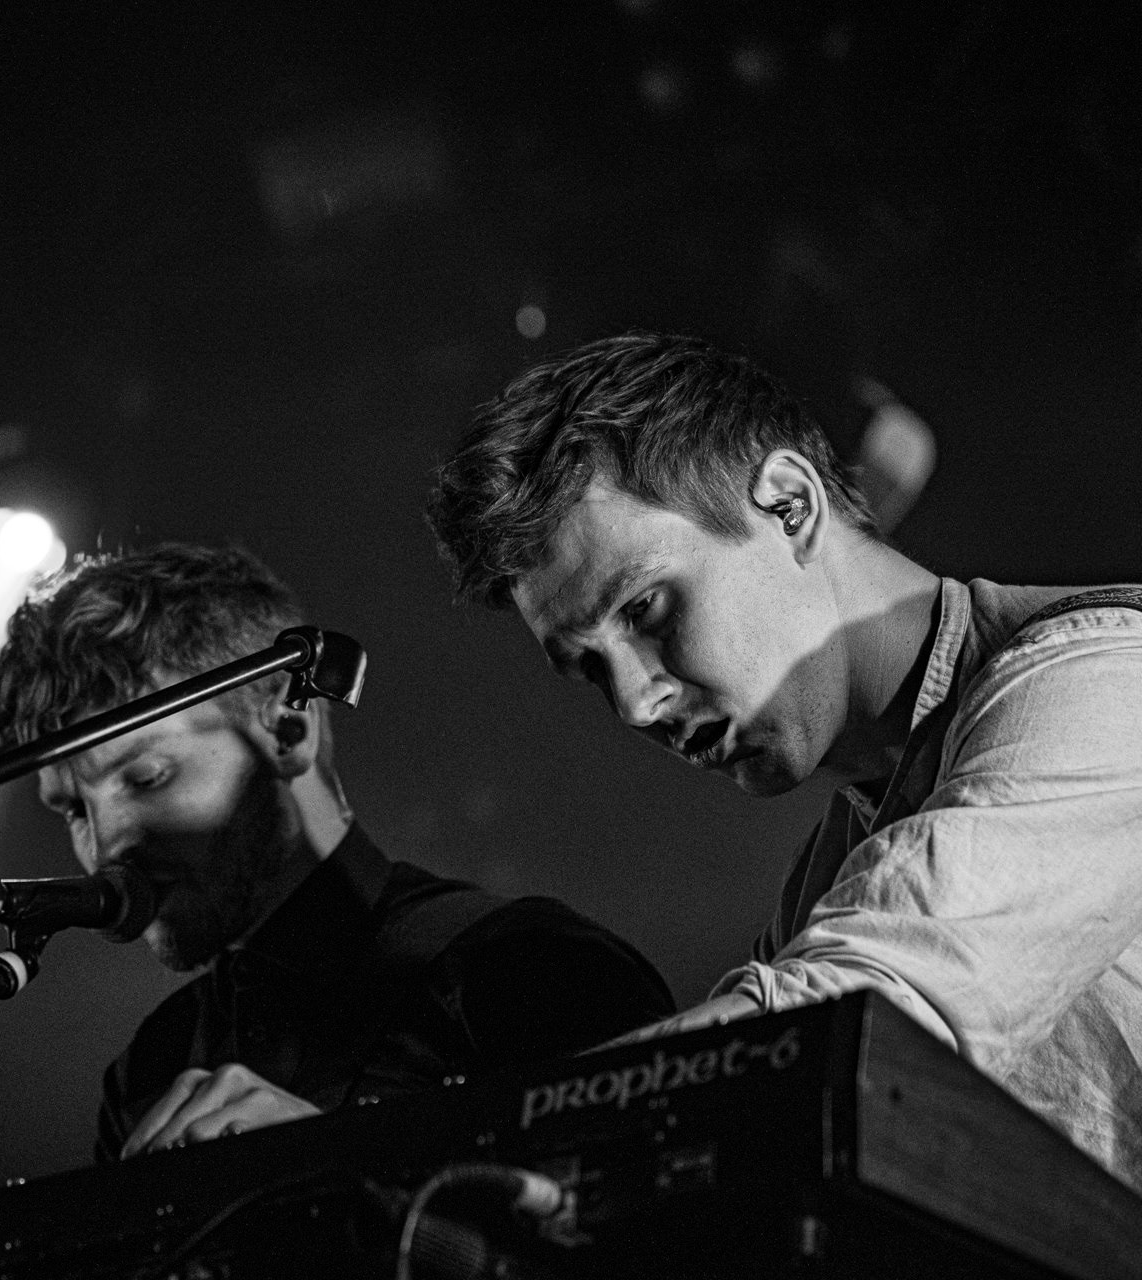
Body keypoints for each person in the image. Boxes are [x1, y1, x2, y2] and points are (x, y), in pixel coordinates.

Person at [426, 331, 1142, 1190]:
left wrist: (421, 1160)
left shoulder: (1107, 674)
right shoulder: (839, 860)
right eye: (587, 666)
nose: (633, 703)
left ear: (789, 504)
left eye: (647, 609)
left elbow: (847, 1026)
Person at [0, 543, 676, 1162]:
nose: (108, 841)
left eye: (146, 775)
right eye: (73, 810)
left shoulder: (529, 966)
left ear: (288, 729)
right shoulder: (154, 1061)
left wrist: (354, 1178)